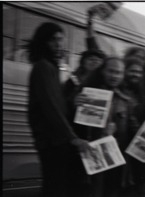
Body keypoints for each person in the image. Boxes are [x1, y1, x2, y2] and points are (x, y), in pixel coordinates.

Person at [27, 22, 92, 197]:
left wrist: (72, 102)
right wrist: (72, 138)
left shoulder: (51, 67)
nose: (59, 45)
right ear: (43, 42)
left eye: (61, 40)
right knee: (55, 188)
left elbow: (58, 102)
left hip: (55, 140)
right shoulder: (43, 67)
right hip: (53, 141)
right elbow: (51, 107)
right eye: (53, 40)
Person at [70, 57, 138, 197]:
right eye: (111, 71)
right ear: (103, 71)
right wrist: (73, 104)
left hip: (116, 160)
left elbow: (134, 128)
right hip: (92, 158)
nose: (114, 76)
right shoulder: (86, 93)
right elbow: (69, 125)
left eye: (118, 72)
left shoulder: (126, 100)